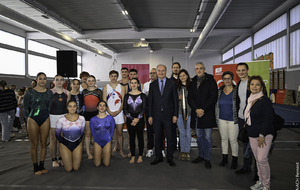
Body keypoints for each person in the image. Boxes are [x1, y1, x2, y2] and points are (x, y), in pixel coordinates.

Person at [245, 76, 274, 190]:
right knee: (257, 159)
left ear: (261, 86)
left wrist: (262, 134)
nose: (254, 87)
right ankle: (261, 181)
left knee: (262, 159)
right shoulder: (250, 99)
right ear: (249, 86)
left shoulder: (265, 100)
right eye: (252, 84)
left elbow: (268, 118)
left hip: (264, 134)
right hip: (252, 133)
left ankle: (266, 185)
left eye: (257, 84)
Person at [188, 62, 218, 169]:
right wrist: (196, 109)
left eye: (201, 68)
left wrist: (202, 109)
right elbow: (190, 98)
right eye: (197, 68)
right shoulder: (192, 82)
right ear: (195, 70)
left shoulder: (211, 81)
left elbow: (213, 97)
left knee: (208, 137)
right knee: (199, 137)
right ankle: (201, 155)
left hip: (207, 113)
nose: (199, 70)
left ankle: (207, 158)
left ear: (204, 69)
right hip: (197, 114)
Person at [148, 64, 178, 167]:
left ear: (166, 71)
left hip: (169, 116)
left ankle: (170, 158)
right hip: (156, 116)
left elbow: (175, 101)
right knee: (158, 137)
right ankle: (159, 157)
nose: (161, 72)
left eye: (163, 70)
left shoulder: (172, 84)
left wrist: (175, 115)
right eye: (159, 71)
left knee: (170, 137)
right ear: (156, 72)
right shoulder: (153, 84)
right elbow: (150, 101)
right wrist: (150, 116)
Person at [23, 72, 53, 175]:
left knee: (44, 143)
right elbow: (25, 108)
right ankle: (35, 166)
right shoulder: (30, 92)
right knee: (34, 145)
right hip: (33, 119)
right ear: (36, 80)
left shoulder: (49, 93)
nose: (42, 80)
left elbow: (49, 106)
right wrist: (28, 120)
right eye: (40, 78)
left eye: (44, 78)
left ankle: (42, 165)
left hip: (45, 117)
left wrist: (47, 115)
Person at [234, 62, 255, 176]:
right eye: (239, 70)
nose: (241, 72)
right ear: (236, 72)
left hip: (252, 119)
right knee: (245, 143)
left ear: (248, 70)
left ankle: (258, 172)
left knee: (255, 146)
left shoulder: (253, 83)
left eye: (243, 70)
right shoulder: (239, 84)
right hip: (242, 118)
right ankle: (246, 167)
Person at [215, 71, 239, 169]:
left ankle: (235, 160)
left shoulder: (236, 91)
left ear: (232, 79)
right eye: (225, 78)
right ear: (222, 80)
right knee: (224, 139)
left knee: (233, 140)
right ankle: (224, 158)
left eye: (229, 78)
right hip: (221, 119)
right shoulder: (220, 91)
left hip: (233, 120)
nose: (227, 80)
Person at [55, 100, 85, 172]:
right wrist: (62, 142)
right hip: (65, 144)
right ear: (67, 108)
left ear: (76, 107)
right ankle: (66, 156)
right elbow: (57, 134)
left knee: (76, 168)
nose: (72, 108)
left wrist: (79, 142)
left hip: (77, 143)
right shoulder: (61, 119)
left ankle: (72, 156)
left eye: (74, 106)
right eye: (70, 106)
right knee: (68, 169)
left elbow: (82, 132)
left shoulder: (82, 118)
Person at [103, 70, 127, 158]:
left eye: (115, 76)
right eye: (112, 76)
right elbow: (104, 101)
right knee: (109, 133)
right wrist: (109, 111)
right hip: (108, 113)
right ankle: (107, 151)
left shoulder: (122, 87)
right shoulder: (106, 87)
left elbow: (123, 101)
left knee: (119, 133)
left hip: (119, 113)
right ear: (109, 77)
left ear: (117, 77)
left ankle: (121, 151)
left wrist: (118, 111)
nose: (113, 78)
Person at [143, 68, 166, 158]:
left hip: (161, 112)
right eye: (151, 73)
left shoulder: (163, 84)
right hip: (150, 112)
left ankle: (162, 149)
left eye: (154, 73)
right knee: (150, 132)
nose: (152, 74)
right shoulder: (145, 85)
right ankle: (150, 149)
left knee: (161, 132)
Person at [49, 75, 71, 167]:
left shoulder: (67, 93)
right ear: (53, 82)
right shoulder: (50, 92)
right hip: (53, 116)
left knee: (61, 140)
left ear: (63, 82)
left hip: (63, 117)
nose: (59, 81)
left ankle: (61, 157)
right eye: (57, 80)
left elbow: (68, 107)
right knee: (53, 139)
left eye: (61, 80)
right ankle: (54, 159)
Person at [124, 78, 147, 163]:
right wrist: (132, 119)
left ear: (138, 84)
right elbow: (125, 109)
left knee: (140, 137)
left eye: (135, 83)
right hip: (130, 119)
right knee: (132, 138)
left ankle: (140, 155)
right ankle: (133, 155)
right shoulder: (126, 95)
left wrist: (137, 119)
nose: (133, 84)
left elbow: (144, 109)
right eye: (132, 83)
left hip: (140, 119)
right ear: (130, 85)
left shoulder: (142, 95)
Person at [82, 75, 103, 159]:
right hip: (87, 114)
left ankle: (99, 151)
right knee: (87, 134)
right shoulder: (83, 92)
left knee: (97, 134)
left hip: (96, 115)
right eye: (89, 80)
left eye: (92, 80)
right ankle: (88, 152)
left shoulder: (98, 92)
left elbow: (102, 104)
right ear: (86, 82)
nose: (90, 82)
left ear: (95, 82)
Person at [90, 101, 115, 167]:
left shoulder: (110, 118)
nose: (102, 107)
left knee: (106, 164)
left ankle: (104, 154)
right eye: (100, 105)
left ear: (106, 108)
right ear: (97, 107)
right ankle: (98, 155)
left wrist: (109, 140)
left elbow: (112, 131)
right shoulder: (93, 119)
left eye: (104, 105)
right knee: (97, 164)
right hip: (97, 141)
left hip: (107, 141)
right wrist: (96, 140)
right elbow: (93, 132)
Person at [177, 69, 192, 161]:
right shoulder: (177, 88)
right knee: (182, 132)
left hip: (189, 113)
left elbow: (193, 101)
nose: (182, 77)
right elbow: (173, 100)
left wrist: (188, 113)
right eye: (180, 76)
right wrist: (177, 98)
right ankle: (182, 151)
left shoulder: (191, 87)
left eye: (184, 75)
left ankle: (187, 151)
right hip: (179, 113)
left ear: (187, 76)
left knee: (188, 132)